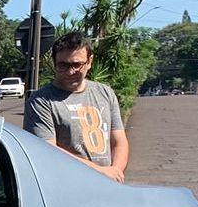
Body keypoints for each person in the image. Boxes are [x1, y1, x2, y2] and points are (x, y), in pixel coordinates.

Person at [24, 31, 129, 182]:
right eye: (63, 65)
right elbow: (49, 151)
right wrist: (100, 172)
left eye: (77, 64)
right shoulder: (41, 101)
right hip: (68, 187)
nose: (70, 71)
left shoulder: (105, 93)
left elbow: (119, 141)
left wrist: (116, 171)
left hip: (108, 185)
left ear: (89, 61)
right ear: (54, 63)